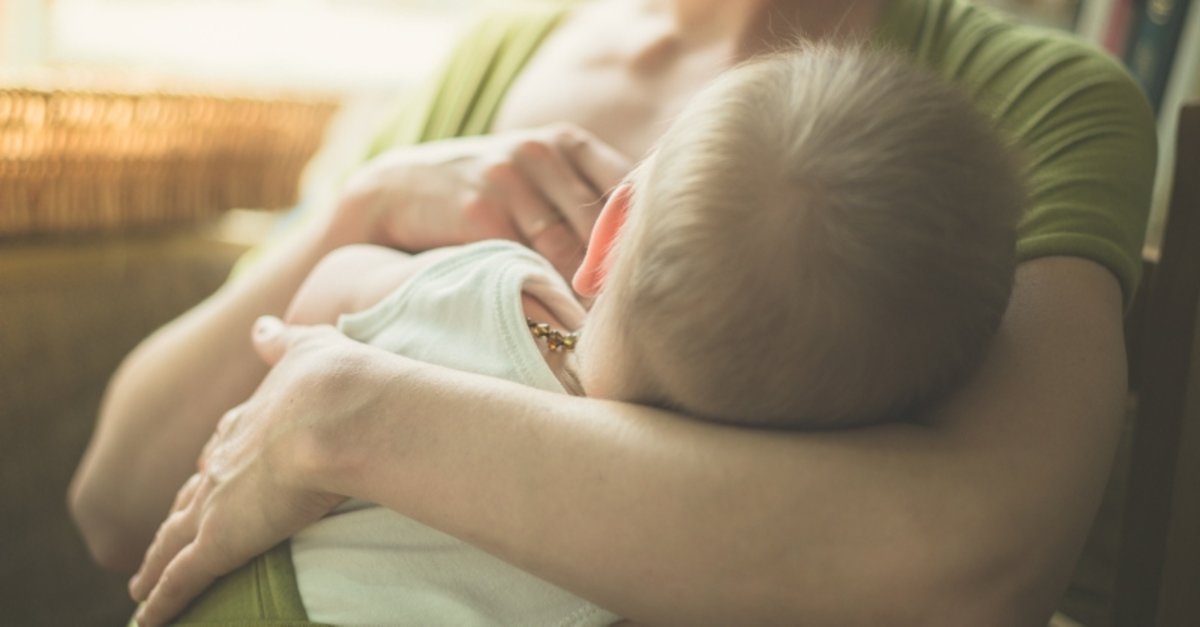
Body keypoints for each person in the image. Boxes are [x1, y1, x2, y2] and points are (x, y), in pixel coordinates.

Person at [69, 0, 1156, 625]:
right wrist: (358, 207)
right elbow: (115, 502)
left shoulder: (1029, 107)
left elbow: (975, 567)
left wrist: (352, 413)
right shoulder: (498, 56)